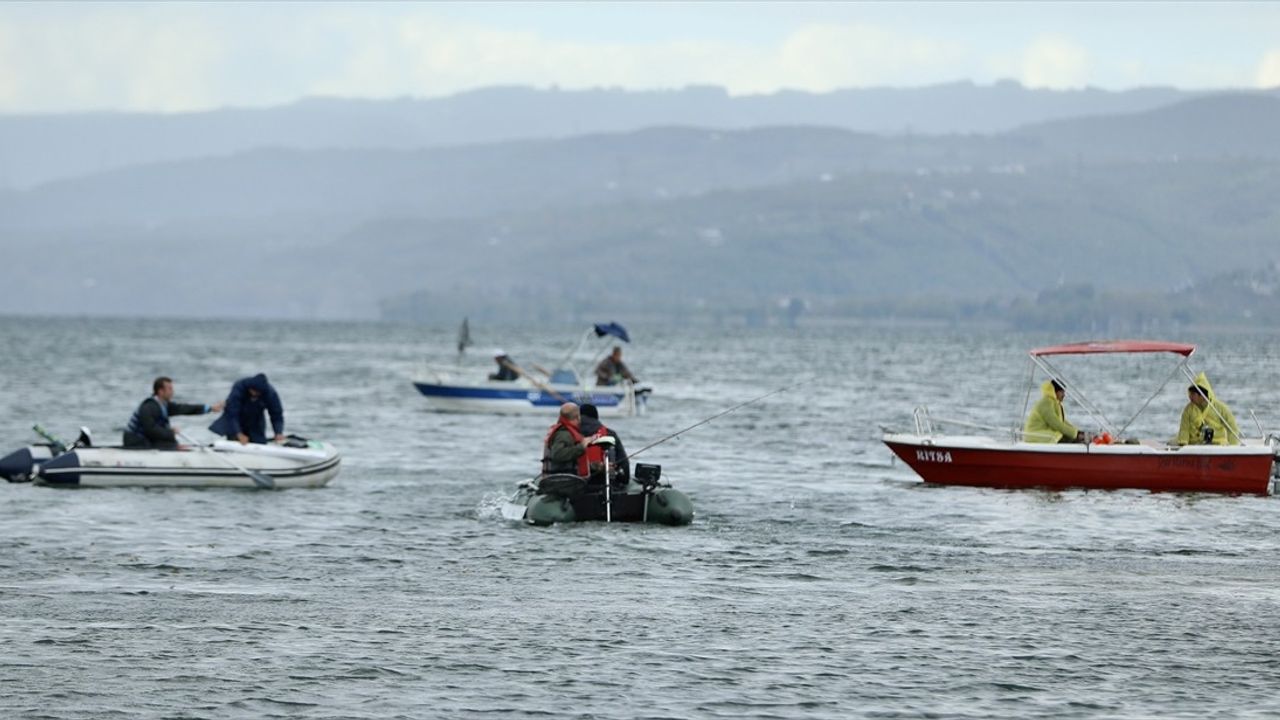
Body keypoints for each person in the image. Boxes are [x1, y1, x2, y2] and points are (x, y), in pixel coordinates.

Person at [122, 377, 223, 449]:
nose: (172, 391)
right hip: (135, 441)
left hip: (146, 440)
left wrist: (209, 408)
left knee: (170, 440)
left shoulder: (164, 405)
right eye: (170, 389)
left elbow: (184, 409)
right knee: (168, 440)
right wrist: (170, 433)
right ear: (160, 391)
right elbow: (150, 430)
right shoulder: (149, 407)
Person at [209, 373, 285, 445]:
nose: (255, 394)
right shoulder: (239, 387)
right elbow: (232, 413)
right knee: (235, 439)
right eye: (253, 391)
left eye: (258, 392)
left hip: (256, 421)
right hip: (236, 418)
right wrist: (239, 433)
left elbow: (277, 415)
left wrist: (278, 432)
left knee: (259, 442)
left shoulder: (270, 393)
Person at [1176, 372, 1241, 446]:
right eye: (1190, 394)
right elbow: (1184, 429)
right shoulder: (1188, 409)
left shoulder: (1220, 408)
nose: (1190, 396)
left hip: (1217, 444)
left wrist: (1233, 446)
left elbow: (1232, 427)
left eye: (1193, 394)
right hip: (1194, 445)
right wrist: (1183, 444)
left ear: (1202, 396)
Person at [541, 402, 604, 476]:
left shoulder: (566, 432)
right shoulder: (563, 434)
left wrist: (593, 466)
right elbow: (558, 454)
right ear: (578, 417)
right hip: (563, 481)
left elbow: (572, 461)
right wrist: (582, 446)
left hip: (565, 478)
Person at [579, 403, 630, 485]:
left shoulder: (570, 434)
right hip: (604, 483)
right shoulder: (609, 433)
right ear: (596, 417)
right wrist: (624, 480)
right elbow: (624, 463)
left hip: (578, 483)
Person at [1023, 379, 1085, 443]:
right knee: (1068, 438)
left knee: (1073, 438)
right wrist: (1076, 434)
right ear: (1055, 391)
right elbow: (1055, 424)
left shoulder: (1054, 402)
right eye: (1062, 392)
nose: (1064, 395)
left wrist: (1078, 432)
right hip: (1035, 435)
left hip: (1044, 434)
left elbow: (1062, 422)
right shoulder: (1046, 402)